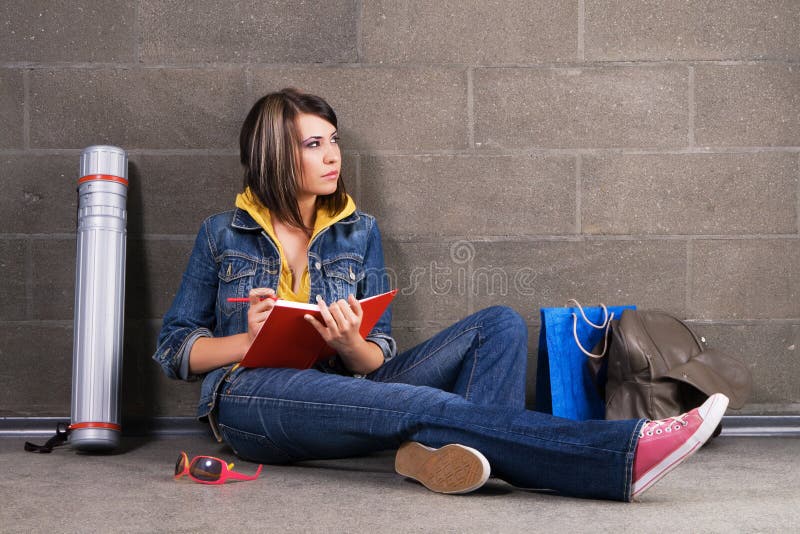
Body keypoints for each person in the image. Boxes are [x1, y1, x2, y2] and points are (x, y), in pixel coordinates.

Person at [153, 88, 728, 501]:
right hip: (252, 400)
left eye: (334, 141)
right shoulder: (221, 233)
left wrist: (351, 341)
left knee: (500, 323)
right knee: (428, 406)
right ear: (276, 153)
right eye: (313, 144)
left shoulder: (360, 232)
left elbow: (375, 356)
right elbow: (174, 350)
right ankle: (619, 453)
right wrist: (244, 340)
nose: (333, 155)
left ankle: (438, 459)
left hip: (346, 393)